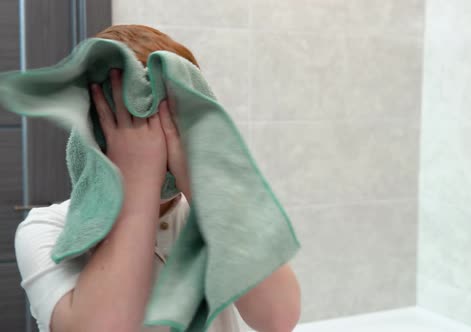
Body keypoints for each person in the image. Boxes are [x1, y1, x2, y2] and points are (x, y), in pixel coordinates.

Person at [14, 25, 301, 332]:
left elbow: (277, 319)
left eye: (168, 120)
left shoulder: (213, 215)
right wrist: (137, 185)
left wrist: (202, 181)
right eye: (128, 122)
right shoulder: (48, 230)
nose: (152, 137)